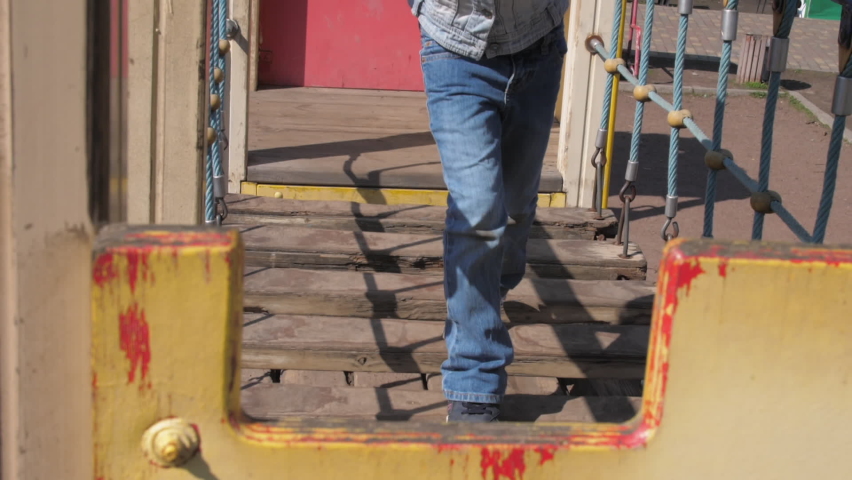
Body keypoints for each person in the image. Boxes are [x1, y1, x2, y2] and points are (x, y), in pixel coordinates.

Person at [408, 0, 569, 422]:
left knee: (515, 205)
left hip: (539, 44)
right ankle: (473, 380)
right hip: (456, 48)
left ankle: (492, 287)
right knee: (478, 211)